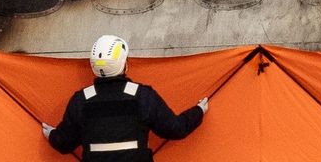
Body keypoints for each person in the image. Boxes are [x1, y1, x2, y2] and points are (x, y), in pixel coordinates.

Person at [42, 35, 207, 161]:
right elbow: (176, 129)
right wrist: (199, 111)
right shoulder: (143, 96)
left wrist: (52, 134)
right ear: (125, 64)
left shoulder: (80, 101)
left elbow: (64, 144)